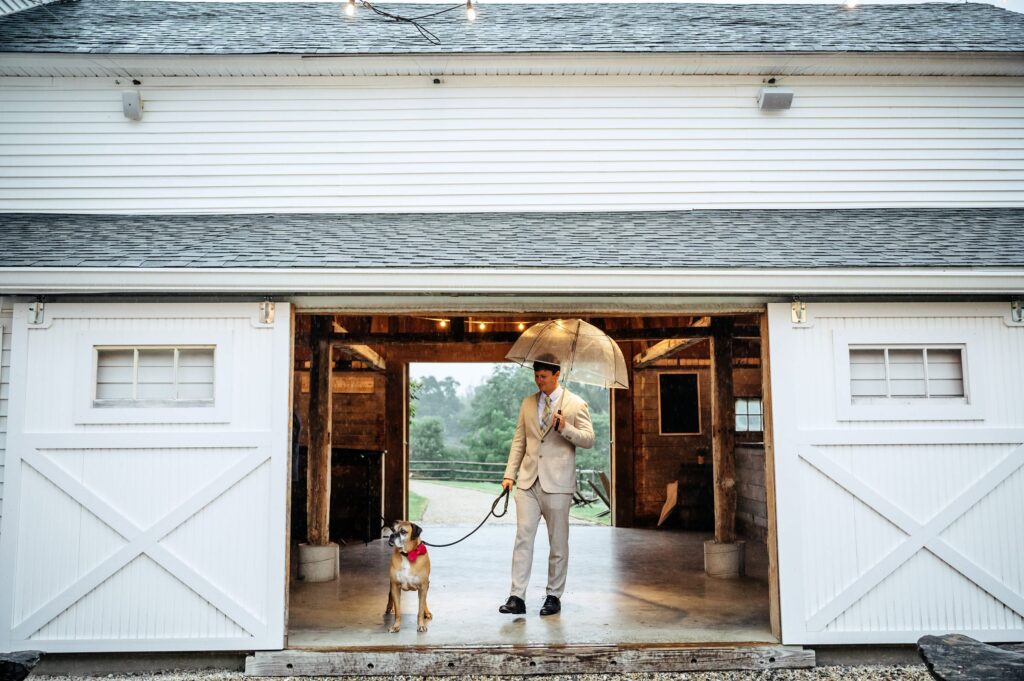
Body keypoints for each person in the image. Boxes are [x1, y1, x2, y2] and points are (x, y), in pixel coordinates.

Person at [498, 354, 595, 616]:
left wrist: (565, 428)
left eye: (543, 377)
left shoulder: (575, 403)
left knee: (558, 544)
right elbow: (520, 440)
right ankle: (516, 597)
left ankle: (553, 596)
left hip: (558, 484)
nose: (539, 381)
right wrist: (510, 474)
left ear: (557, 375)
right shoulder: (528, 403)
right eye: (536, 376)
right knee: (522, 539)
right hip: (528, 483)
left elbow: (589, 439)